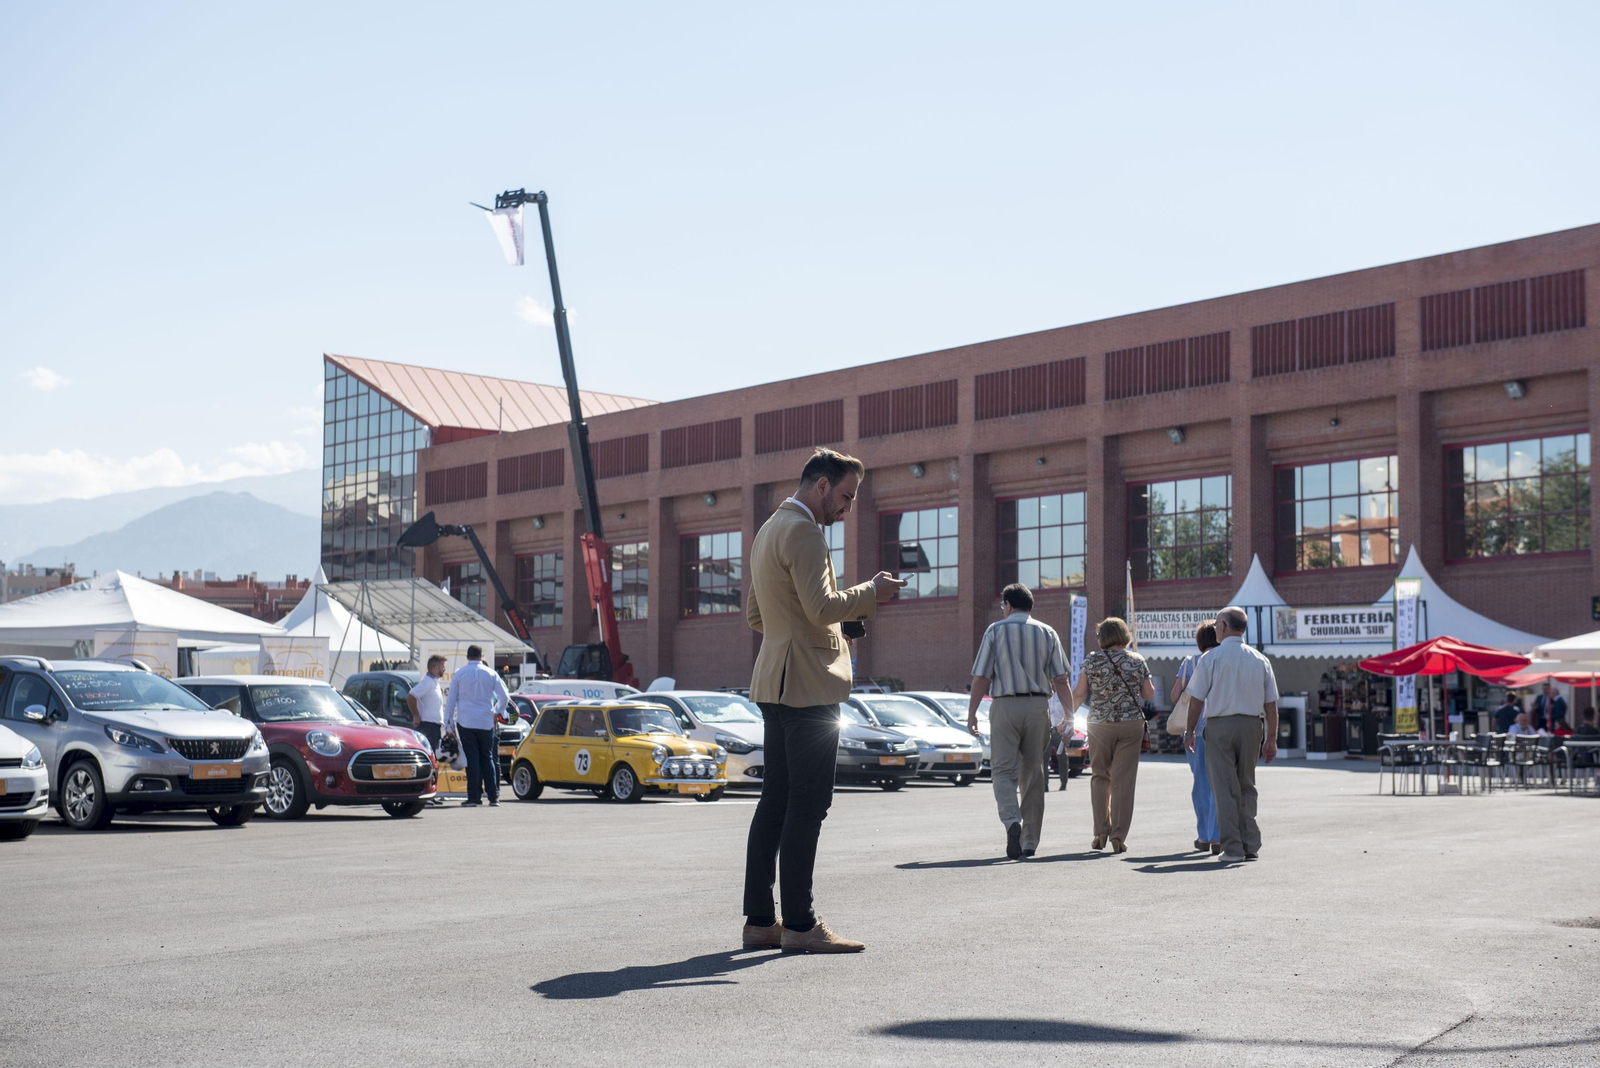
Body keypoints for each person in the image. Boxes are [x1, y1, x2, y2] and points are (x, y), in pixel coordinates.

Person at [742, 448, 905, 954]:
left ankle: (760, 921)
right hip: (809, 687)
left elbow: (756, 615)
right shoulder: (805, 531)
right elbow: (819, 605)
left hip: (775, 681)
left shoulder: (769, 529)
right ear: (820, 486)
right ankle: (799, 923)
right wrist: (872, 592)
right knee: (808, 806)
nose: (848, 507)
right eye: (846, 495)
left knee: (775, 803)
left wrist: (822, 627)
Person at [968, 583, 1073, 860]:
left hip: (1004, 705)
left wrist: (971, 714)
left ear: (1008, 605)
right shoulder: (1047, 632)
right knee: (1034, 774)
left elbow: (981, 677)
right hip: (1038, 706)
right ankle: (1029, 842)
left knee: (1002, 771)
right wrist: (1070, 715)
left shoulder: (995, 630)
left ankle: (1011, 821)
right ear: (1030, 606)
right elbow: (1061, 679)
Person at [1184, 605, 1278, 864]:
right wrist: (1271, 738)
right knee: (1247, 784)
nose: (1215, 628)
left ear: (1224, 626)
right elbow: (1271, 705)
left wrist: (1189, 731)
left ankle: (1233, 848)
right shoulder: (1259, 659)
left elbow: (1196, 700)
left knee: (1224, 788)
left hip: (1219, 726)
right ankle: (1250, 844)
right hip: (1251, 726)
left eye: (1216, 624)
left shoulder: (1210, 659)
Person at [1070, 616, 1154, 855]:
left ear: (1103, 638)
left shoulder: (1092, 660)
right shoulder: (1137, 660)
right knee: (1123, 781)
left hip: (1099, 724)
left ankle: (1100, 833)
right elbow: (1149, 695)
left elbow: (1079, 694)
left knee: (1099, 776)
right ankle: (1118, 836)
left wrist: (1067, 719)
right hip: (1130, 725)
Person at [1174, 620, 1220, 855]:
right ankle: (1216, 835)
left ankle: (1203, 835)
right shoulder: (1221, 659)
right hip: (1217, 725)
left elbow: (1174, 696)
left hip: (1194, 730)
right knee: (1218, 783)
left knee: (1200, 784)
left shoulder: (1190, 662)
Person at [443, 645, 508, 807]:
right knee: (488, 757)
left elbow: (451, 701)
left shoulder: (459, 673)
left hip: (466, 721)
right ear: (481, 656)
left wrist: (448, 724)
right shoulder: (491, 673)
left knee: (472, 759)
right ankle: (494, 797)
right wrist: (497, 711)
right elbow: (504, 697)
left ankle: (474, 796)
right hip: (486, 721)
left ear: (467, 657)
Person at [408, 655, 448, 805]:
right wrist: (416, 715)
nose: (444, 669)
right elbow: (411, 696)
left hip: (434, 727)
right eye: (442, 666)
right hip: (427, 726)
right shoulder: (427, 683)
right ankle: (425, 792)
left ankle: (431, 792)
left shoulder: (434, 682)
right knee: (428, 761)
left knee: (434, 761)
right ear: (435, 668)